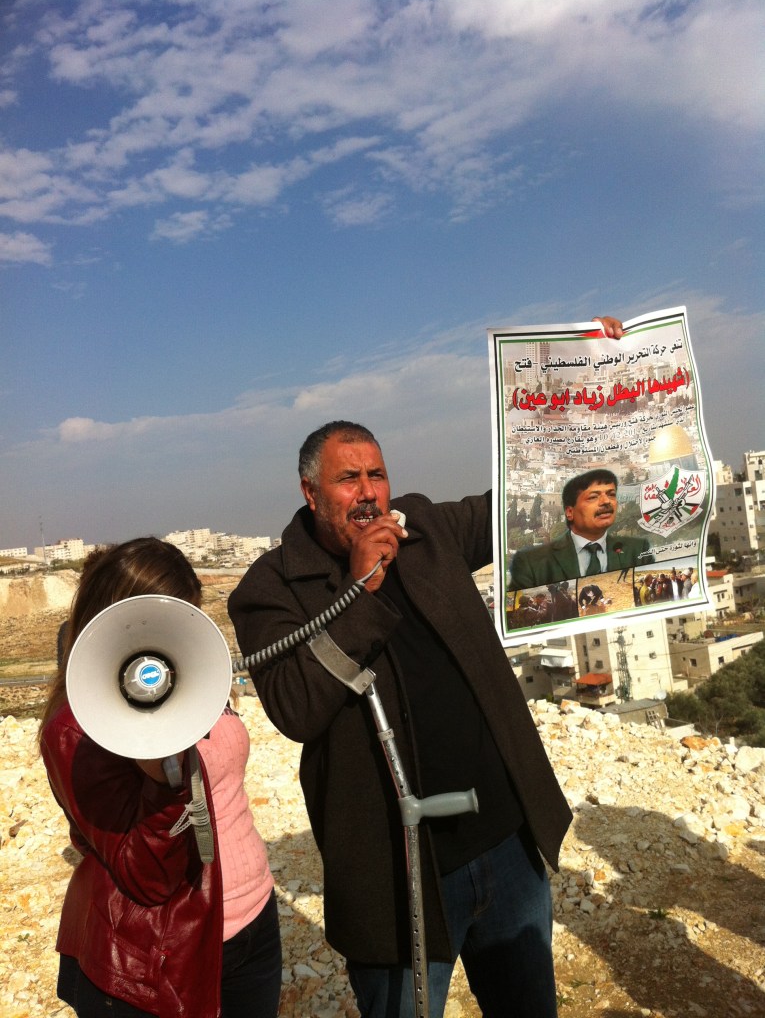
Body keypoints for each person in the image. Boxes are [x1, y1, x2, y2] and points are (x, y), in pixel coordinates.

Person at [229, 420, 575, 1018]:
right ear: (311, 493)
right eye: (348, 479)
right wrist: (360, 593)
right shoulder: (272, 586)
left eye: (376, 475)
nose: (368, 492)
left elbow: (523, 507)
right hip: (400, 875)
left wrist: (585, 399)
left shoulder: (425, 528)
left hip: (504, 842)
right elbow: (293, 706)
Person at [38, 537, 281, 1018]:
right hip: (165, 951)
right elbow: (145, 878)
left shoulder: (189, 672)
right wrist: (161, 775)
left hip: (253, 918)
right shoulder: (75, 730)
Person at [509, 468, 654, 590]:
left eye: (611, 494)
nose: (606, 502)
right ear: (570, 512)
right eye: (593, 497)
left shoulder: (638, 550)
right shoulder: (531, 564)